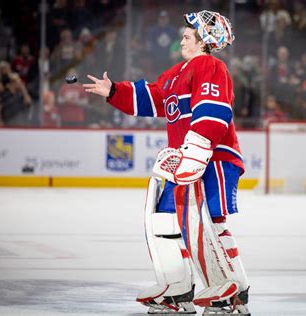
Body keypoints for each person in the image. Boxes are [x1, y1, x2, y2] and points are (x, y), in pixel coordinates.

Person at [83, 10, 250, 315]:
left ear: (204, 41)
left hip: (213, 159)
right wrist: (114, 92)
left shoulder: (211, 66)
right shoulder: (176, 73)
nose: (182, 39)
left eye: (188, 35)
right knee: (164, 220)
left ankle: (234, 292)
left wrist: (197, 150)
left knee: (211, 219)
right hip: (184, 163)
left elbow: (213, 110)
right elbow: (154, 97)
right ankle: (178, 290)